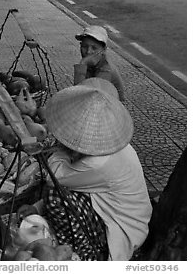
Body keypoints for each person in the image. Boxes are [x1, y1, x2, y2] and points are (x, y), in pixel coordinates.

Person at [17, 84, 152, 261]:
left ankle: (85, 255)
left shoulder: (98, 163)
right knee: (61, 190)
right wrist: (36, 207)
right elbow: (78, 182)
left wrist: (61, 146)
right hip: (116, 211)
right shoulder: (114, 146)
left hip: (121, 229)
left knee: (55, 196)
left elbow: (55, 177)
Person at [74, 25, 125, 101]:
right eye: (84, 46)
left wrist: (82, 64)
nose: (88, 52)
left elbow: (79, 96)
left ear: (103, 50)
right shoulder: (91, 64)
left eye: (94, 48)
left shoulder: (106, 70)